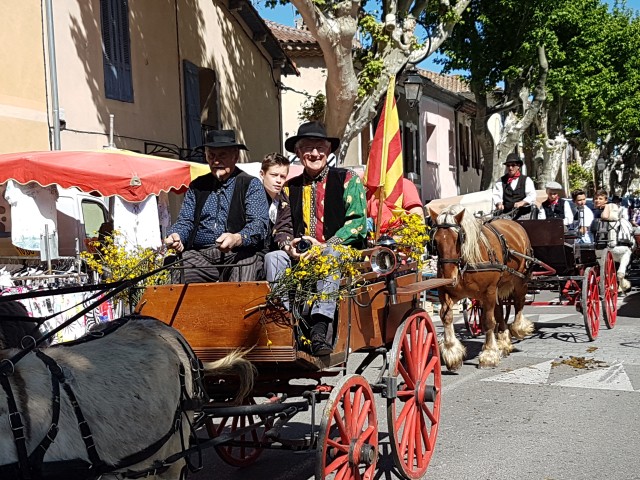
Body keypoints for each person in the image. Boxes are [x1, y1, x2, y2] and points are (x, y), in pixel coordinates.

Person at [265, 121, 367, 356]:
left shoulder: (348, 179)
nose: (314, 153)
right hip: (301, 257)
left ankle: (320, 328)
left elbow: (358, 223)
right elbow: (282, 228)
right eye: (307, 148)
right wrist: (287, 245)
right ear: (298, 153)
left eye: (319, 147)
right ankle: (285, 324)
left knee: (329, 255)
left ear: (328, 151)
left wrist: (326, 245)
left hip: (341, 253)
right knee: (273, 257)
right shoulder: (289, 188)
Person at [164, 130, 269, 283]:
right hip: (201, 256)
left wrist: (237, 238)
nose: (216, 161)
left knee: (244, 271)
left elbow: (259, 225)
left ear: (235, 156)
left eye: (222, 155)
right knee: (175, 268)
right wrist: (177, 235)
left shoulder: (250, 184)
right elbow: (185, 221)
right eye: (211, 155)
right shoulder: (197, 186)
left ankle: (237, 307)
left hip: (238, 254)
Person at [260, 152, 293, 253]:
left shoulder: (286, 198)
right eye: (274, 175)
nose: (278, 180)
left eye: (283, 176)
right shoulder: (253, 198)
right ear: (262, 174)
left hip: (278, 252)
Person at [492, 153, 537, 219]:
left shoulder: (526, 180)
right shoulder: (501, 181)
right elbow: (496, 195)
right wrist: (499, 204)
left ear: (518, 166)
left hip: (523, 215)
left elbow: (532, 195)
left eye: (513, 165)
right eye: (508, 165)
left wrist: (523, 202)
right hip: (506, 214)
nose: (510, 168)